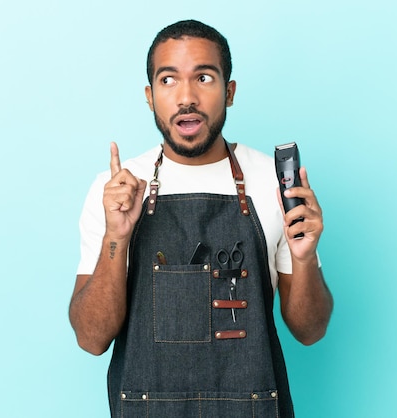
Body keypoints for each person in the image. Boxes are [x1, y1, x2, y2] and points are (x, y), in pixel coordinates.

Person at [69, 19, 333, 417]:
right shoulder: (117, 191)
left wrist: (304, 257)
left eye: (204, 77)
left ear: (229, 92)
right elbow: (91, 338)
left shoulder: (271, 184)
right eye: (168, 80)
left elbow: (310, 331)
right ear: (150, 95)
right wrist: (116, 238)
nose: (186, 97)